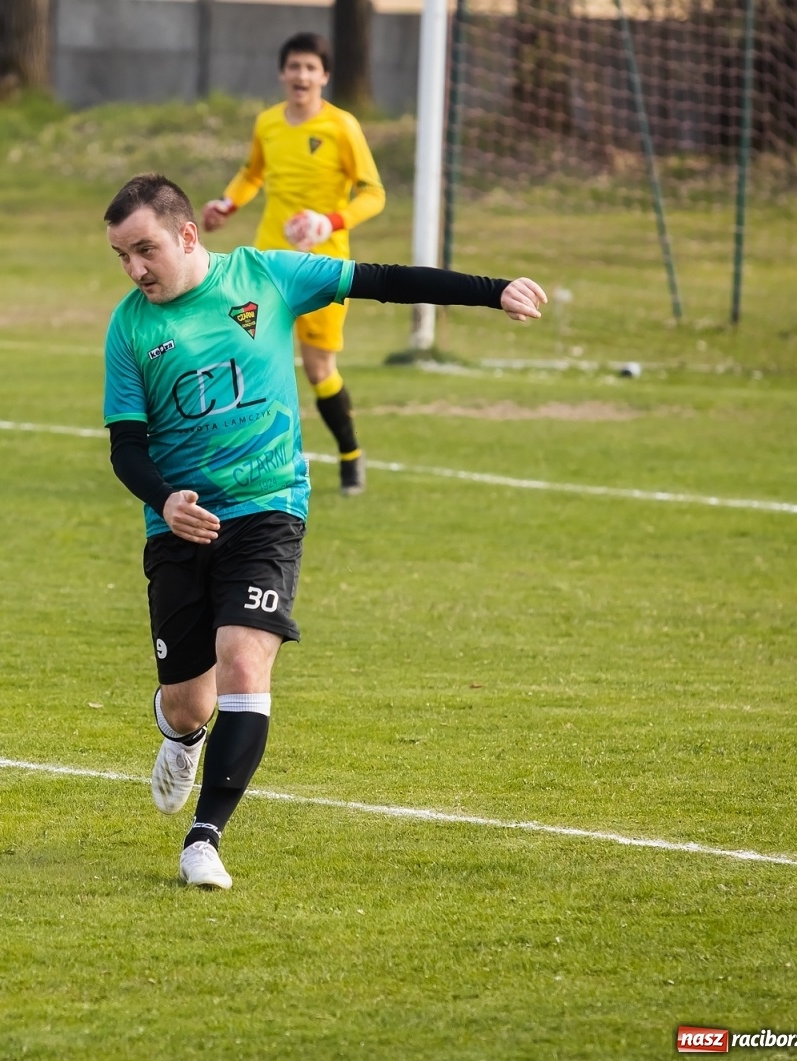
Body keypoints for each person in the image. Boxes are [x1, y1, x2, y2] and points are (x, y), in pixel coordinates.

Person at [102, 175, 545, 888]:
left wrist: (493, 291)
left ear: (187, 235)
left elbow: (383, 280)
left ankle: (204, 838)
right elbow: (126, 446)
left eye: (144, 250)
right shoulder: (129, 328)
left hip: (269, 508)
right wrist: (166, 498)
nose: (134, 269)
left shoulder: (266, 276)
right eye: (121, 256)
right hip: (181, 526)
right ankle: (180, 734)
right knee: (190, 703)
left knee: (244, 660)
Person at [202, 32, 385, 496]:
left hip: (324, 267)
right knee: (246, 353)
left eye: (310, 68)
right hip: (267, 265)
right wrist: (227, 204)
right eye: (294, 67)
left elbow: (374, 193)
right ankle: (240, 463)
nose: (301, 75)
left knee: (319, 370)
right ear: (282, 73)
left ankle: (350, 455)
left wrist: (329, 222)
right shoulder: (268, 123)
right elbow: (252, 173)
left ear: (324, 76)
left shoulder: (342, 127)